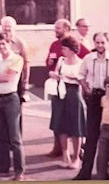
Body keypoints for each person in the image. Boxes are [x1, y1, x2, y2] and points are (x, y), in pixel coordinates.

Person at [74, 32, 109, 180]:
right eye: (97, 42)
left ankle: (107, 171)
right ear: (94, 43)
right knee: (91, 136)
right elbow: (80, 75)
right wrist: (86, 88)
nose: (100, 45)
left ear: (107, 43)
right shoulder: (88, 59)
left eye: (102, 42)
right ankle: (84, 172)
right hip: (95, 98)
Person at [0, 33, 26, 181]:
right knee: (0, 135)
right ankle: (2, 168)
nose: (1, 47)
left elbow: (9, 78)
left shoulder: (17, 59)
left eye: (4, 44)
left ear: (10, 44)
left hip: (11, 99)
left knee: (15, 137)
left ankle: (19, 171)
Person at [48, 35, 86, 169]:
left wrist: (73, 77)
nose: (62, 51)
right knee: (61, 125)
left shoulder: (81, 62)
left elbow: (83, 80)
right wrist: (53, 75)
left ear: (71, 49)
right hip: (60, 93)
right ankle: (65, 155)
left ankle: (76, 157)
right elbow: (54, 73)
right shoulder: (61, 60)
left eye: (64, 48)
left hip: (74, 93)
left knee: (76, 127)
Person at [46, 19, 73, 158]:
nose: (55, 30)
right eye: (55, 28)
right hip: (56, 86)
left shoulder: (73, 43)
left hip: (70, 87)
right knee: (57, 117)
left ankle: (77, 150)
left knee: (72, 119)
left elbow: (85, 57)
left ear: (66, 28)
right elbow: (48, 62)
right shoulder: (54, 44)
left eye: (58, 28)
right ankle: (57, 147)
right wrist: (50, 64)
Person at [0, 16, 29, 102]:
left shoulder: (20, 43)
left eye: (9, 29)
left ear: (14, 29)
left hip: (16, 79)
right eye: (5, 29)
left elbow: (26, 64)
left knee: (16, 106)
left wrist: (25, 82)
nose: (7, 32)